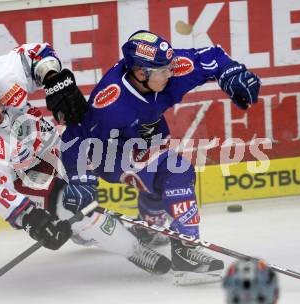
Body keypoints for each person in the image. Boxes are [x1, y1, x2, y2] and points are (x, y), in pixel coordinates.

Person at [0, 42, 171, 275]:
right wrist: (32, 220)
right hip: (23, 172)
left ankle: (85, 231)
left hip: (47, 140)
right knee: (73, 208)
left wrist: (52, 77)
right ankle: (135, 250)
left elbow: (36, 52)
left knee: (105, 151)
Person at [60, 30, 261, 285]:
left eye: (170, 66)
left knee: (161, 176)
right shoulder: (110, 102)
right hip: (110, 154)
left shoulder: (167, 69)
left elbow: (212, 56)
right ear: (141, 73)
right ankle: (186, 251)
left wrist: (232, 72)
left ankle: (151, 227)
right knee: (177, 171)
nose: (172, 72)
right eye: (163, 70)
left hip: (146, 141)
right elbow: (75, 137)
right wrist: (79, 179)